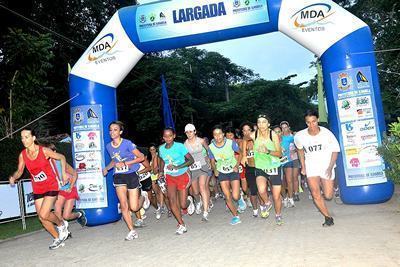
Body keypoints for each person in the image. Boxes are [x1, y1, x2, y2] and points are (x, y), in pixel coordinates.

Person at [9, 128, 70, 250]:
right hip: (38, 188)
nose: (24, 140)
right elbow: (20, 171)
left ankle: (61, 224)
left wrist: (63, 173)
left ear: (33, 138)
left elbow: (61, 157)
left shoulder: (44, 151)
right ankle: (57, 238)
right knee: (42, 217)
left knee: (44, 213)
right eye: (22, 138)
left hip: (51, 185)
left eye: (26, 137)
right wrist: (13, 177)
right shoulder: (23, 155)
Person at [294, 110, 340, 227]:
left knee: (328, 195)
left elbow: (335, 150)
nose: (311, 125)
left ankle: (324, 189)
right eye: (308, 122)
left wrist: (330, 167)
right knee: (315, 194)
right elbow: (299, 150)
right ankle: (328, 217)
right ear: (306, 123)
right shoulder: (300, 136)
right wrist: (303, 166)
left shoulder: (327, 134)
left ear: (318, 120)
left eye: (314, 121)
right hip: (311, 166)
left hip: (326, 165)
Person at [103, 121, 145, 240]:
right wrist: (107, 168)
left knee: (134, 207)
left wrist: (126, 163)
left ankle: (143, 198)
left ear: (120, 132)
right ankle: (132, 231)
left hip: (131, 174)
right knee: (123, 205)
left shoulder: (127, 144)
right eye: (110, 130)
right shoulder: (108, 146)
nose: (112, 132)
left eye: (115, 130)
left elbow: (141, 157)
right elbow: (115, 161)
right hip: (119, 176)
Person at [242, 114, 284, 225]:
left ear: (268, 124)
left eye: (264, 122)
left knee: (276, 195)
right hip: (260, 167)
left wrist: (268, 151)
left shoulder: (272, 134)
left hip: (274, 166)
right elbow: (244, 139)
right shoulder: (254, 134)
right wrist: (244, 155)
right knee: (261, 190)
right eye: (259, 122)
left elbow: (279, 153)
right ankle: (267, 202)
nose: (261, 124)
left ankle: (278, 215)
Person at [158, 127, 194, 235]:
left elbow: (191, 160)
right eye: (165, 136)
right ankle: (182, 224)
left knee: (183, 204)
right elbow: (162, 161)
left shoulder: (180, 146)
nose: (168, 138)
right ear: (163, 137)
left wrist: (178, 167)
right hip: (170, 177)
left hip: (183, 174)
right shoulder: (161, 148)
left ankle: (189, 200)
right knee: (172, 200)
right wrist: (160, 172)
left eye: (170, 136)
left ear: (174, 136)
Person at [47, 143, 87, 227]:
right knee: (57, 211)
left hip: (70, 189)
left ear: (54, 152)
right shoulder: (47, 164)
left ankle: (79, 214)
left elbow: (75, 174)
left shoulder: (61, 162)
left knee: (66, 216)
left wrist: (71, 186)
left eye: (49, 152)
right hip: (60, 191)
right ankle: (63, 231)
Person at [209, 125, 242, 225]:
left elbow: (240, 153)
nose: (218, 136)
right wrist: (214, 169)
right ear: (213, 136)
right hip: (222, 172)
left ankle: (240, 199)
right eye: (215, 134)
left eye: (219, 134)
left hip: (232, 170)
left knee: (235, 196)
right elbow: (212, 160)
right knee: (227, 196)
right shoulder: (211, 147)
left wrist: (237, 164)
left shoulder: (230, 143)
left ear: (223, 134)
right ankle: (236, 216)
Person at [184, 123, 211, 221]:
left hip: (203, 166)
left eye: (190, 131)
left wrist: (209, 160)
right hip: (192, 168)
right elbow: (185, 158)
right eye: (187, 132)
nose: (189, 134)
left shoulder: (201, 141)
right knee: (195, 191)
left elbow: (209, 150)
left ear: (195, 131)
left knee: (202, 186)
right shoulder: (185, 144)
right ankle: (198, 201)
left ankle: (205, 211)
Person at [241, 122, 262, 217]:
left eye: (248, 130)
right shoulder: (242, 143)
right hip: (249, 169)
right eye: (244, 130)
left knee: (261, 190)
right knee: (253, 190)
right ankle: (255, 210)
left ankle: (263, 207)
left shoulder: (257, 140)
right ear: (242, 132)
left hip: (260, 167)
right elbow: (240, 155)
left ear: (252, 130)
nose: (246, 132)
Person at [225, 127, 247, 212]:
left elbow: (241, 153)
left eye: (231, 135)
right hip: (228, 166)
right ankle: (230, 201)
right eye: (227, 136)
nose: (229, 137)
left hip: (239, 164)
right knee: (229, 184)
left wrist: (238, 164)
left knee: (243, 181)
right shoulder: (224, 143)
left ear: (234, 135)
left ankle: (246, 195)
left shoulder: (239, 142)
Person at [280, 121, 301, 207]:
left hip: (295, 158)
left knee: (294, 177)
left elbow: (299, 147)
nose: (284, 129)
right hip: (286, 160)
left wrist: (295, 150)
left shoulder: (294, 136)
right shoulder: (280, 137)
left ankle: (295, 193)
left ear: (289, 127)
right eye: (283, 127)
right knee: (288, 179)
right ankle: (289, 195)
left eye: (286, 127)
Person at [148, 144, 169, 219]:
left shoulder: (157, 156)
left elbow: (157, 168)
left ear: (155, 150)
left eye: (153, 149)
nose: (152, 151)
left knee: (160, 192)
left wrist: (156, 171)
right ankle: (161, 206)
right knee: (156, 192)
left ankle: (162, 207)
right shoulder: (151, 157)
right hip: (152, 176)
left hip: (157, 176)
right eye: (151, 149)